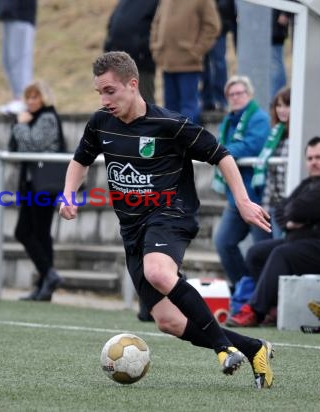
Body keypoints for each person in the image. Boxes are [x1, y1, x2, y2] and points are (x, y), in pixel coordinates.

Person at [59, 51, 274, 389]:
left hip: (171, 213)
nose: (104, 99)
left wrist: (244, 201)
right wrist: (69, 192)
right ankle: (253, 348)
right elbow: (79, 161)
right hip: (132, 228)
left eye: (110, 91)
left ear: (133, 85)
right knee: (168, 321)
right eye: (99, 92)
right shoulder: (101, 122)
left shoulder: (170, 125)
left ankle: (223, 350)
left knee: (158, 272)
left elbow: (222, 156)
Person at [227, 136, 320, 327]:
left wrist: (293, 215)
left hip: (319, 247)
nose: (314, 162)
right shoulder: (308, 185)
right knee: (256, 253)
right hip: (299, 242)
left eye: (319, 157)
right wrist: (290, 221)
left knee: (282, 253)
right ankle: (273, 308)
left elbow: (295, 210)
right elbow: (281, 209)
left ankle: (254, 310)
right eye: (310, 158)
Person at [212, 75, 271, 290]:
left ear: (249, 95)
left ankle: (264, 297)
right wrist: (221, 151)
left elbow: (252, 146)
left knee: (263, 249)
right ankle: (245, 290)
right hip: (236, 198)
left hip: (259, 197)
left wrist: (221, 153)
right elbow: (221, 145)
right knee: (223, 243)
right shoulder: (228, 121)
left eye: (240, 93)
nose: (235, 98)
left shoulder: (259, 118)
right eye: (231, 94)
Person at [9, 80, 65, 301]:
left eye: (35, 97)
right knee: (37, 234)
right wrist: (19, 125)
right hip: (31, 184)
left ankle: (48, 276)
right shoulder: (30, 118)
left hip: (44, 185)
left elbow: (34, 145)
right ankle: (46, 283)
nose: (31, 102)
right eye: (28, 97)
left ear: (44, 98)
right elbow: (14, 148)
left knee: (29, 232)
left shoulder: (47, 117)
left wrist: (20, 126)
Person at [150, 0, 220, 122]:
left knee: (188, 109)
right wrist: (156, 48)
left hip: (189, 65)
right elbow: (156, 23)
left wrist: (196, 51)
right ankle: (172, 140)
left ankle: (190, 140)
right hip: (167, 63)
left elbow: (212, 26)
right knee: (169, 110)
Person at [252, 86, 291, 239]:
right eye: (278, 105)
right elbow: (270, 177)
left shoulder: (298, 137)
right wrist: (266, 209)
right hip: (274, 206)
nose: (281, 110)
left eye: (287, 105)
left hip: (289, 207)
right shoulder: (275, 134)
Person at [103, 0, 159, 104]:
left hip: (141, 63)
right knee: (118, 103)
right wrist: (108, 46)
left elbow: (159, 28)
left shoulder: (156, 2)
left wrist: (143, 49)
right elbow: (113, 23)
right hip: (117, 61)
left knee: (144, 104)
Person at [0, 0, 37, 115]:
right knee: (7, 60)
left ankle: (25, 100)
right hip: (7, 12)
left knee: (19, 59)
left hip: (22, 14)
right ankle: (18, 98)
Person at [202, 0, 237, 112]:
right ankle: (207, 100)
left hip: (220, 26)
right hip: (202, 28)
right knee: (204, 65)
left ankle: (221, 100)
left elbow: (228, 7)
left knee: (219, 64)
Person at [271, 9, 292, 99]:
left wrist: (286, 13)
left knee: (275, 64)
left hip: (275, 27)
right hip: (265, 25)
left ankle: (277, 97)